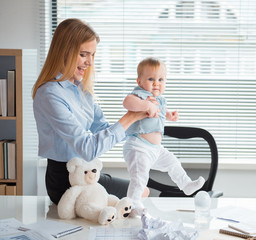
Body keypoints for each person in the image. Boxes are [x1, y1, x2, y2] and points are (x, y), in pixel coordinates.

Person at [32, 18, 149, 205]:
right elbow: (88, 149)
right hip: (66, 181)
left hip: (87, 172)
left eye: (93, 55)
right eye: (84, 54)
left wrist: (142, 119)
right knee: (140, 192)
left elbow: (102, 128)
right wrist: (129, 117)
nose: (89, 63)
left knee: (142, 190)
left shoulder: (80, 89)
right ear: (65, 52)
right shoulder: (49, 94)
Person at [123, 57, 205, 214]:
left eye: (161, 79)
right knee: (140, 177)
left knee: (173, 162)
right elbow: (127, 103)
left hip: (155, 149)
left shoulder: (160, 100)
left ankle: (186, 185)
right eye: (151, 79)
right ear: (139, 81)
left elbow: (158, 113)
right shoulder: (140, 94)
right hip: (138, 147)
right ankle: (133, 204)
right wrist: (145, 104)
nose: (156, 83)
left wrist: (168, 115)